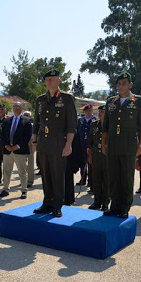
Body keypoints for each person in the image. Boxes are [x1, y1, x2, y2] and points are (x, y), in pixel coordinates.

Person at [31, 69, 77, 217]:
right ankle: (47, 202)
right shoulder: (40, 100)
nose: (49, 81)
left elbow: (71, 124)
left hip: (59, 141)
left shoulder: (67, 98)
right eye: (47, 79)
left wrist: (68, 144)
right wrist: (34, 139)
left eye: (52, 78)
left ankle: (57, 205)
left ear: (59, 80)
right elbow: (37, 122)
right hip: (43, 141)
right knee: (45, 173)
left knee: (57, 174)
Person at [102, 72, 141, 218]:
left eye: (124, 83)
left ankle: (124, 208)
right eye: (119, 83)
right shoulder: (111, 102)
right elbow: (106, 127)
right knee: (114, 177)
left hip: (129, 145)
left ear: (130, 85)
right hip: (113, 144)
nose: (121, 86)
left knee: (127, 177)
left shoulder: (139, 101)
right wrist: (103, 143)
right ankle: (114, 206)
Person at [0, 102, 32, 199]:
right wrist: (6, 145)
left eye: (18, 106)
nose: (16, 108)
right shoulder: (7, 121)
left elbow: (27, 136)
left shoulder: (27, 121)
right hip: (8, 150)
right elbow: (2, 135)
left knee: (22, 171)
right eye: (14, 106)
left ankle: (23, 190)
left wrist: (17, 146)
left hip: (20, 150)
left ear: (21, 108)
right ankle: (5, 189)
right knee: (6, 171)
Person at [87, 105, 109, 210]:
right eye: (99, 111)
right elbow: (90, 142)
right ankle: (97, 202)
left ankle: (105, 203)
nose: (100, 113)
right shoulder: (94, 125)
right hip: (96, 156)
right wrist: (90, 155)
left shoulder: (111, 125)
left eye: (103, 111)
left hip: (107, 157)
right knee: (96, 180)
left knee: (107, 181)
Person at [77, 104, 96, 190]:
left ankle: (91, 181)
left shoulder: (95, 120)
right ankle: (83, 179)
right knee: (82, 163)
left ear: (92, 111)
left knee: (91, 164)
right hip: (81, 145)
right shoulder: (80, 120)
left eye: (90, 110)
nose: (88, 112)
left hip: (91, 145)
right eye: (86, 111)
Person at [0, 103, 8, 185]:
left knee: (6, 163)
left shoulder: (9, 119)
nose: (1, 111)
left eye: (2, 109)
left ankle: (5, 179)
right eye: (0, 109)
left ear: (5, 110)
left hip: (5, 144)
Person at [23, 110, 35, 188]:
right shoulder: (21, 124)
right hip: (22, 147)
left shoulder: (32, 125)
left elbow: (34, 135)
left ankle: (30, 180)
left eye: (27, 115)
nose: (26, 116)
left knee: (30, 164)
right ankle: (24, 180)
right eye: (25, 115)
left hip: (30, 146)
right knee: (22, 164)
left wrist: (30, 142)